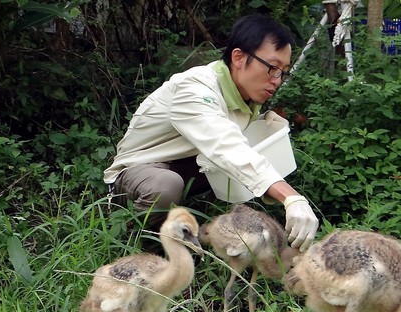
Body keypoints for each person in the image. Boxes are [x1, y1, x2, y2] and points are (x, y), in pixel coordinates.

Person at [104, 14, 319, 251]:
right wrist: (290, 197)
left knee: (246, 159)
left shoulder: (244, 94)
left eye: (283, 72)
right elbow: (226, 146)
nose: (277, 80)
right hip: (140, 170)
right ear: (238, 57)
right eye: (272, 68)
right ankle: (148, 243)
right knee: (166, 185)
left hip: (188, 164)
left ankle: (202, 225)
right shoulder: (195, 90)